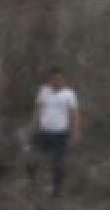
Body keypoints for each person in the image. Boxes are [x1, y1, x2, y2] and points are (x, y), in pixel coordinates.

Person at [31, 67, 81, 196]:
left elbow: (74, 115)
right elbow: (38, 110)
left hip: (60, 133)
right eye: (53, 79)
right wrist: (33, 127)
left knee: (58, 162)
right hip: (43, 132)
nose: (56, 81)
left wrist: (75, 133)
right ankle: (33, 184)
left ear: (63, 79)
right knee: (34, 159)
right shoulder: (43, 91)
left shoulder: (69, 94)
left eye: (59, 79)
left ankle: (56, 190)